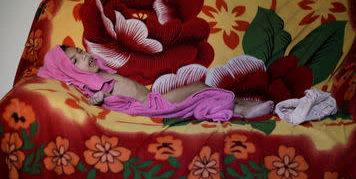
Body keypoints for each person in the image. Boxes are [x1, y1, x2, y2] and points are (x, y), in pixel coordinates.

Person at [38, 45, 273, 120]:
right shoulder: (87, 85)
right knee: (199, 88)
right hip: (151, 106)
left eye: (81, 51)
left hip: (154, 99)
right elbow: (95, 99)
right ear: (68, 70)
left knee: (198, 89)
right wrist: (98, 99)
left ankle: (240, 104)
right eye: (75, 60)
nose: (85, 56)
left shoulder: (97, 73)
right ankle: (240, 107)